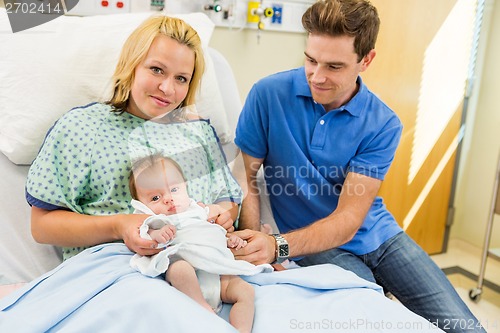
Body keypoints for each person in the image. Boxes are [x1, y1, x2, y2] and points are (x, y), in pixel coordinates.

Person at [232, 0, 485, 332]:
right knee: (372, 315)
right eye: (310, 60)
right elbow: (244, 176)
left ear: (366, 60)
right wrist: (255, 241)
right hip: (317, 243)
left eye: (334, 67)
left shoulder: (383, 123)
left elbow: (350, 217)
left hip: (381, 236)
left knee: (464, 328)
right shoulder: (267, 95)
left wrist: (277, 246)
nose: (317, 77)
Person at [128, 154, 270, 333]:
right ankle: (202, 307)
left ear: (185, 186)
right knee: (180, 269)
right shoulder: (155, 219)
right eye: (155, 198)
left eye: (174, 189)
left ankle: (241, 329)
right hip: (188, 274)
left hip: (216, 275)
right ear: (141, 204)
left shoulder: (200, 211)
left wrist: (229, 238)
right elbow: (142, 235)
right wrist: (156, 233)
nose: (168, 199)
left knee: (246, 292)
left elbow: (211, 234)